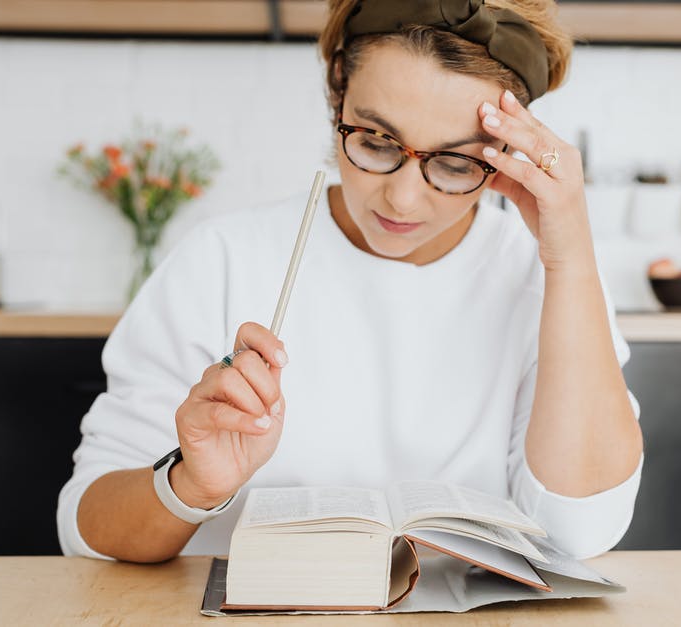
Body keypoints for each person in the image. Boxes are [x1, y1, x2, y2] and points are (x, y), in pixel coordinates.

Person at [58, 0, 645, 563]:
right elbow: (86, 524)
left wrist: (570, 260)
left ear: (504, 150)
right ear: (338, 89)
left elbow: (581, 531)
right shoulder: (224, 258)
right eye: (376, 140)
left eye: (457, 162)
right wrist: (191, 485)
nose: (402, 197)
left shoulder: (542, 277)